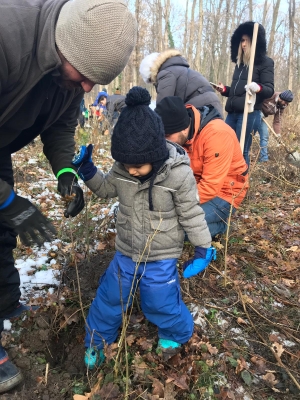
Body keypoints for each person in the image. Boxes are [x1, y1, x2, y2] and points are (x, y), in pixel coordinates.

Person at [0, 0, 136, 392]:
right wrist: (10, 203)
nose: (89, 88)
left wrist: (64, 174)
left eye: (95, 81)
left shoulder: (69, 75)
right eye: (85, 77)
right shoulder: (7, 39)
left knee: (2, 229)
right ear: (67, 44)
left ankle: (7, 304)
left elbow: (60, 126)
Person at [72, 87, 215, 369]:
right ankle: (97, 341)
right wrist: (88, 171)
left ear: (155, 152)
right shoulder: (123, 170)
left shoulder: (178, 174)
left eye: (137, 165)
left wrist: (202, 247)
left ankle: (175, 333)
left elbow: (191, 213)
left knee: (159, 301)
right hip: (126, 251)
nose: (131, 170)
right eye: (126, 164)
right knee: (110, 298)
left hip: (161, 255)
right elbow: (104, 188)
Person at [155, 96, 249, 239]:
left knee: (175, 229)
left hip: (224, 192)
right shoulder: (178, 134)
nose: (165, 142)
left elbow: (210, 187)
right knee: (158, 221)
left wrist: (174, 203)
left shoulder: (217, 134)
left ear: (184, 129)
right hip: (193, 186)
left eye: (167, 136)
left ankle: (221, 225)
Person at [215, 21, 274, 166]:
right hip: (232, 113)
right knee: (226, 148)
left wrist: (257, 87)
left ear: (255, 42)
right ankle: (229, 181)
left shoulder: (266, 63)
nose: (244, 44)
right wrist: (226, 90)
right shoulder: (240, 65)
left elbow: (269, 89)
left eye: (247, 41)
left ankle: (242, 184)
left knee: (241, 150)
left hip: (249, 113)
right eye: (242, 40)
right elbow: (237, 92)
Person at [139, 49, 223, 117]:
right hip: (213, 105)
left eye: (152, 80)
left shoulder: (166, 73)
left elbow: (163, 105)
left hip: (201, 108)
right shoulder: (178, 68)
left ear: (152, 72)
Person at [255, 90, 294, 162]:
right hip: (254, 113)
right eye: (285, 102)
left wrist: (278, 134)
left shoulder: (282, 106)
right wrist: (257, 110)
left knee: (265, 135)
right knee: (249, 134)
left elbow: (277, 121)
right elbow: (257, 99)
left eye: (287, 103)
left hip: (262, 118)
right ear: (280, 98)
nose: (286, 104)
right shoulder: (270, 95)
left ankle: (264, 159)